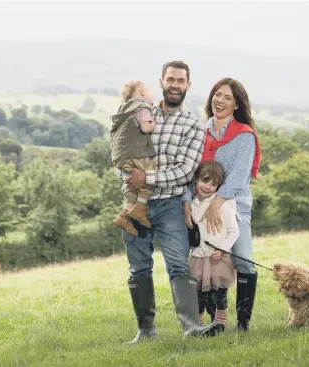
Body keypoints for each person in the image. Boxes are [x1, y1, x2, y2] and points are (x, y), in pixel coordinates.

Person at [117, 61, 222, 344]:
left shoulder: (192, 126)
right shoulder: (140, 113)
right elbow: (122, 148)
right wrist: (128, 177)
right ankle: (146, 331)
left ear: (188, 85)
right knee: (138, 267)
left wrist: (146, 177)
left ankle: (191, 327)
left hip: (170, 205)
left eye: (180, 80)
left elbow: (186, 170)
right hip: (134, 205)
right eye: (170, 79)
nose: (175, 84)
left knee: (178, 264)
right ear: (161, 82)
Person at [182, 77, 261, 332]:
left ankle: (243, 323)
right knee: (204, 264)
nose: (220, 101)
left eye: (228, 97)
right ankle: (212, 322)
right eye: (217, 94)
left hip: (233, 207)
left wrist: (217, 203)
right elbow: (187, 172)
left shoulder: (244, 136)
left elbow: (239, 177)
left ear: (237, 104)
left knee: (244, 260)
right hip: (198, 210)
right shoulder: (199, 132)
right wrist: (186, 202)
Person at [186, 160, 239, 336]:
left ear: (219, 186)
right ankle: (200, 327)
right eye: (204, 180)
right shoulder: (192, 205)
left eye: (213, 184)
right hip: (199, 258)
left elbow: (233, 231)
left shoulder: (223, 206)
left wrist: (223, 249)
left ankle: (219, 325)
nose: (208, 186)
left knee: (219, 295)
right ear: (196, 179)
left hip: (218, 259)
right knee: (198, 295)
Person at [110, 80, 156, 236]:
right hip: (135, 152)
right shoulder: (142, 107)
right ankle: (140, 208)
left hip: (120, 156)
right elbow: (145, 127)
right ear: (143, 92)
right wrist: (153, 123)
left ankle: (124, 214)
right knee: (150, 175)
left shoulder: (123, 109)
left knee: (131, 183)